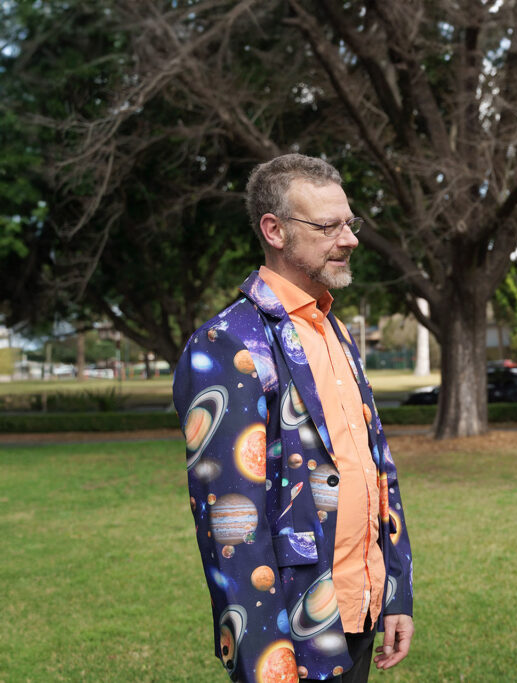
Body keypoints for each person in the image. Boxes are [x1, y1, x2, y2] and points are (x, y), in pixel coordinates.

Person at [173, 154, 413, 683]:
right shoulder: (228, 342)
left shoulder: (334, 330)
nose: (348, 238)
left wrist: (396, 590)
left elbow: (378, 470)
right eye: (327, 226)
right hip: (292, 629)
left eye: (350, 223)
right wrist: (266, 659)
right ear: (274, 230)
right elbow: (230, 522)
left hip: (360, 606)